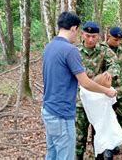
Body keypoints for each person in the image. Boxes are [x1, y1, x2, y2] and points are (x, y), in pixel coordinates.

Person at [42, 12, 116, 160]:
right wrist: (106, 90)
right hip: (62, 113)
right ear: (74, 28)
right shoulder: (70, 50)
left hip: (48, 110)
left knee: (52, 154)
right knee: (65, 156)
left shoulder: (49, 47)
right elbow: (85, 82)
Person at [75, 21, 120, 160]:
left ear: (98, 36)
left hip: (98, 100)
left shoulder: (104, 50)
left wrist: (109, 73)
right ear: (82, 34)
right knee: (78, 137)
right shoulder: (74, 51)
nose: (90, 39)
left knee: (100, 135)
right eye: (87, 35)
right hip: (79, 100)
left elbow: (115, 64)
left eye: (94, 36)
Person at [104, 27, 122, 127]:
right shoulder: (101, 49)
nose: (118, 42)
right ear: (108, 37)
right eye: (116, 40)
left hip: (121, 89)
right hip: (106, 90)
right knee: (104, 118)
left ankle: (117, 138)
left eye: (120, 40)